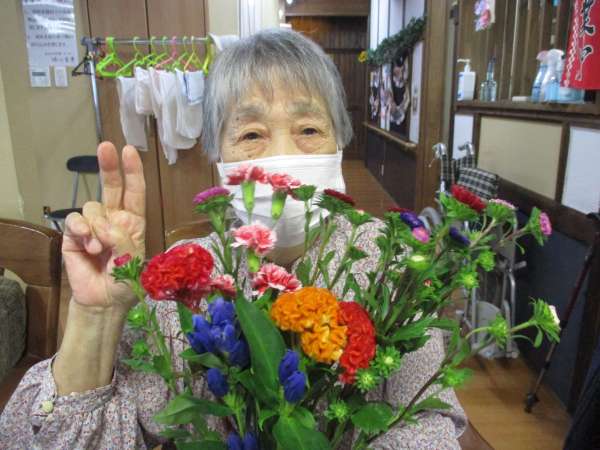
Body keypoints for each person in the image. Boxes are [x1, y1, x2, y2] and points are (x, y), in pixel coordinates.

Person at [0, 29, 466, 449]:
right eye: (251, 134)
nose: (281, 157)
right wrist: (97, 317)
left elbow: (426, 425)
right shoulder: (183, 286)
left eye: (308, 129)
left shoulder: (393, 269)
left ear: (340, 143)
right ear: (217, 158)